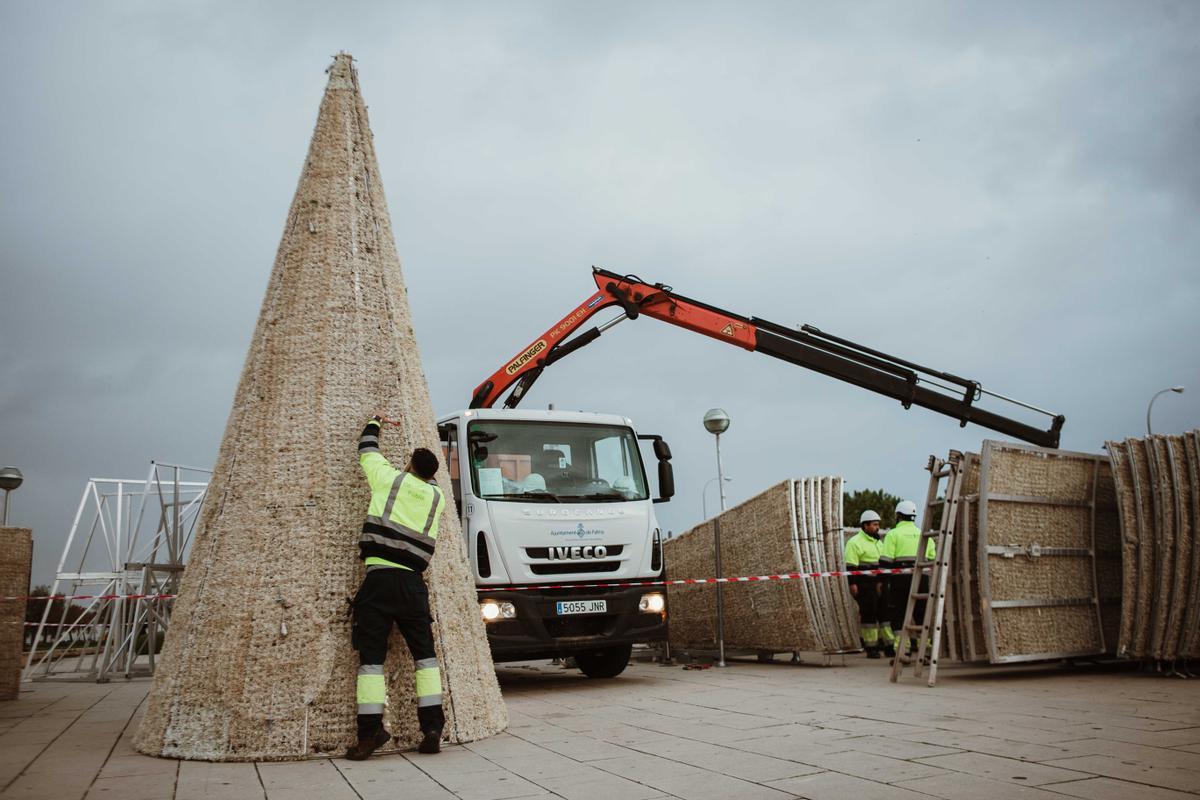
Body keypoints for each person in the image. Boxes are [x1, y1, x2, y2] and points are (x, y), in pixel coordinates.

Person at [345, 415, 448, 761]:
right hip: (413, 587)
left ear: (408, 465)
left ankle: (370, 732)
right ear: (432, 474)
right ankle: (432, 728)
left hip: (380, 581)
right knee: (425, 657)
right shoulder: (438, 499)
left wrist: (375, 422)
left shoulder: (390, 480)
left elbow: (367, 450)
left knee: (371, 661)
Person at [880, 499, 936, 655]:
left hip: (900, 581)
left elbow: (885, 561)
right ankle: (925, 648)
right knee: (921, 613)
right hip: (921, 580)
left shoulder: (893, 534)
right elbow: (932, 557)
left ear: (898, 515)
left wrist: (884, 582)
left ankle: (902, 649)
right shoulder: (923, 534)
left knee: (898, 614)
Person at [843, 510, 893, 658]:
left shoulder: (879, 542)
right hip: (864, 585)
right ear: (865, 526)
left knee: (885, 615)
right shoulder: (854, 542)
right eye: (874, 524)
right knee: (869, 615)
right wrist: (852, 585)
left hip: (879, 583)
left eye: (878, 524)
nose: (877, 527)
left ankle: (890, 646)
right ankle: (871, 648)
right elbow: (851, 566)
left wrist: (882, 582)